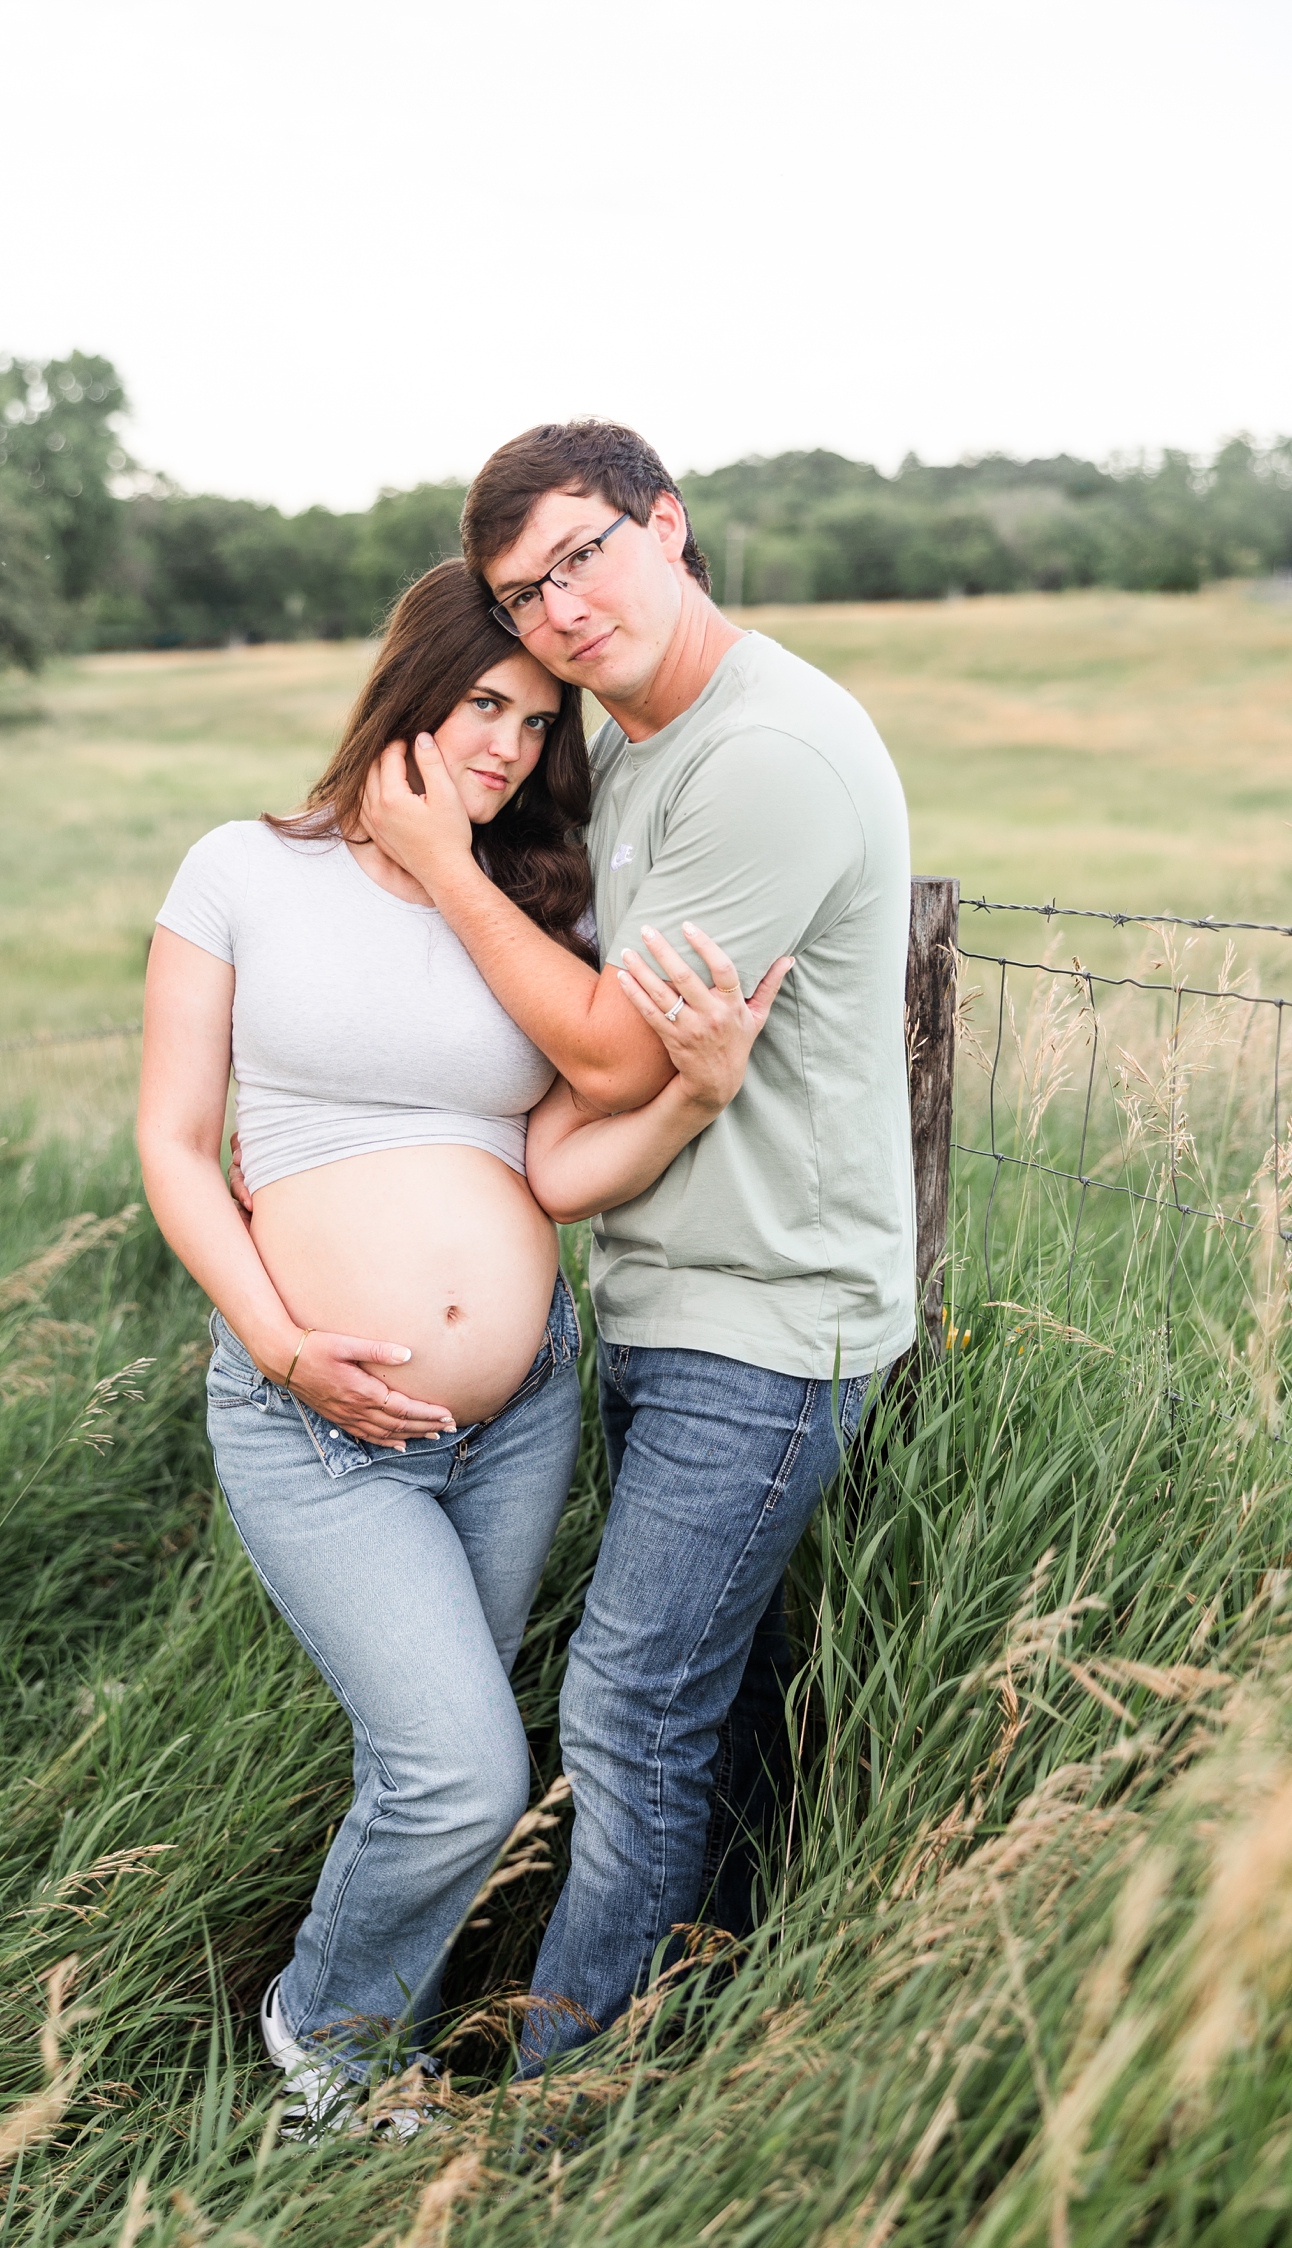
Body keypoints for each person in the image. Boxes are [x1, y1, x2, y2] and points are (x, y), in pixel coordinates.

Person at [137, 558, 788, 2132]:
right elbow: (172, 1141)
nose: (505, 745)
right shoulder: (244, 869)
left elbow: (551, 1168)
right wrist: (286, 1345)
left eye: (535, 724)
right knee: (460, 1773)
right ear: (410, 685)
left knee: (448, 1751)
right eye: (484, 703)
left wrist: (696, 1093)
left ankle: (375, 2057)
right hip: (318, 1418)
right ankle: (322, 2045)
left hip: (512, 1419)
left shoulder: (531, 904)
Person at [357, 421, 917, 2065]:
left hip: (773, 1312)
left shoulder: (768, 755)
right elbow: (591, 1096)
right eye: (525, 592)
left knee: (622, 1703)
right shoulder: (631, 739)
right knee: (700, 1703)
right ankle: (704, 2032)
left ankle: (560, 2104)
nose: (563, 609)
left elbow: (609, 1056)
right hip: (671, 1296)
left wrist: (446, 875)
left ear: (667, 524)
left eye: (585, 554)